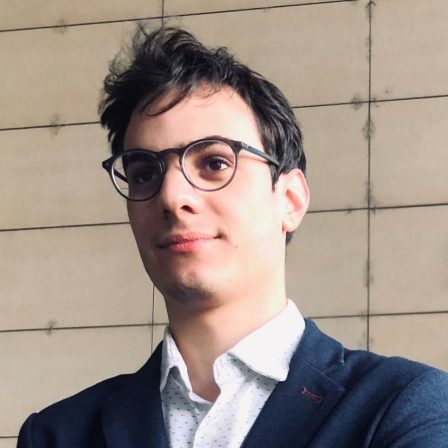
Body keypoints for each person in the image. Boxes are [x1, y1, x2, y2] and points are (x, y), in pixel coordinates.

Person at [18, 26, 448, 448]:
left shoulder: (403, 409)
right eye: (145, 173)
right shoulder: (56, 435)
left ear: (290, 199)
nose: (172, 196)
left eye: (215, 163)